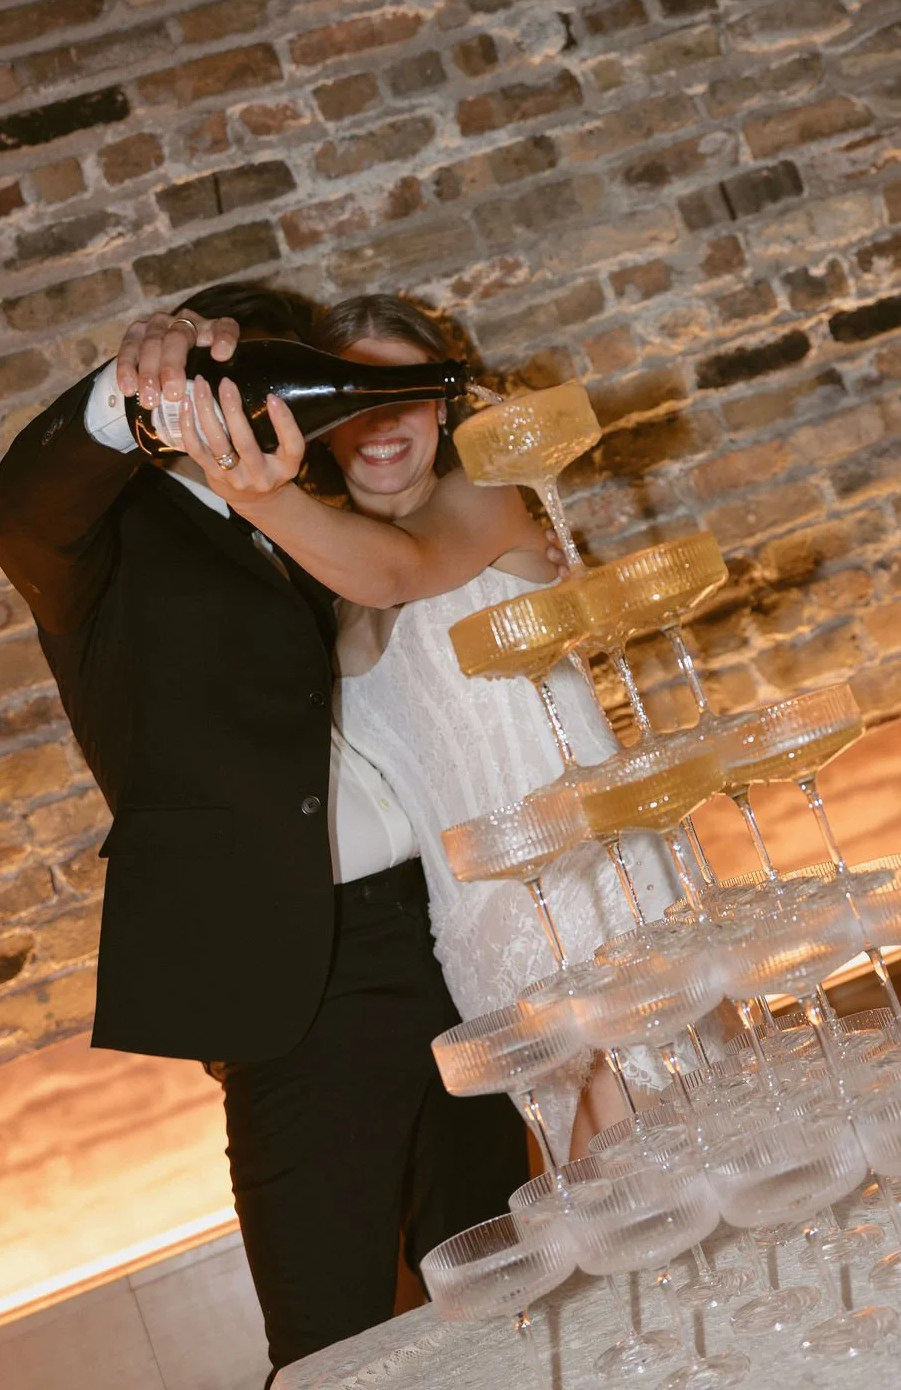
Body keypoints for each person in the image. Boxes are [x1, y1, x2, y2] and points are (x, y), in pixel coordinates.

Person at [0, 283, 530, 1381]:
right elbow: (19, 499)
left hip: (447, 930)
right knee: (334, 1342)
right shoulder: (96, 541)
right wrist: (131, 384)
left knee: (501, 1281)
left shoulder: (327, 506)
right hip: (295, 988)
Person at [174, 293, 685, 1160]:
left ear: (442, 405)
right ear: (317, 420)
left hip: (590, 879)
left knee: (677, 1147)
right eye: (351, 398)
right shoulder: (323, 594)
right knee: (593, 1181)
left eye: (404, 392)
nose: (379, 421)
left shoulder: (486, 498)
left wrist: (252, 491)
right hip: (477, 929)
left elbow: (400, 569)